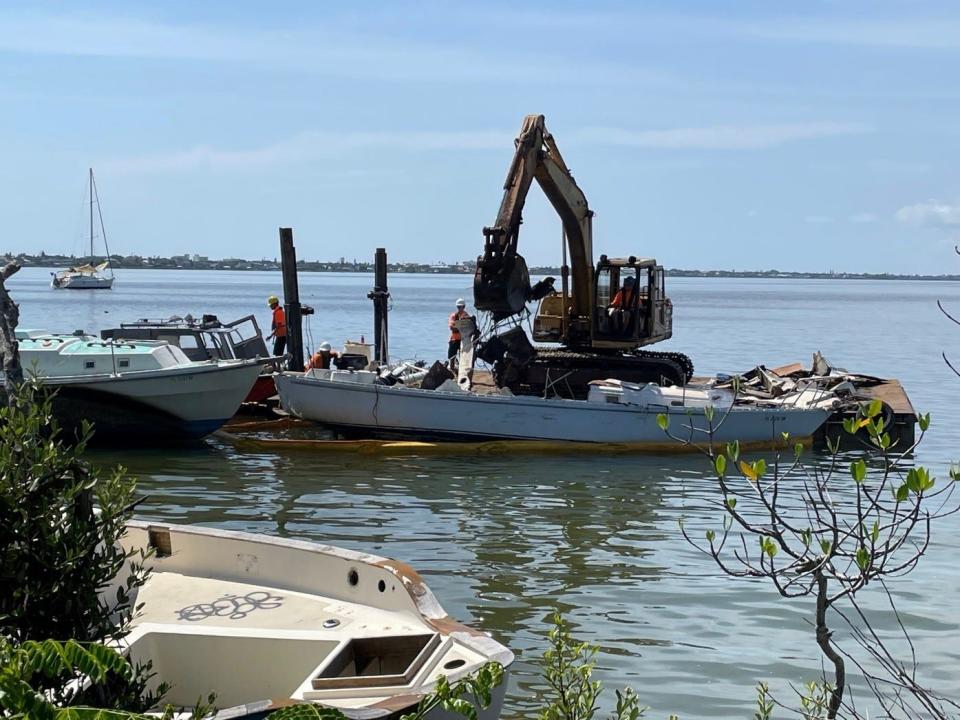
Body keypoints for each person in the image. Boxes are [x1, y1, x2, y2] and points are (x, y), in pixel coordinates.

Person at [447, 298, 470, 363]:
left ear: (464, 307)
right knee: (452, 357)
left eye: (461, 306)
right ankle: (452, 369)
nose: (460, 308)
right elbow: (451, 328)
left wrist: (457, 327)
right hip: (454, 339)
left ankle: (461, 369)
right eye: (458, 306)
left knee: (463, 357)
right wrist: (461, 328)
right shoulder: (453, 316)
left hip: (463, 340)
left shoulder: (467, 316)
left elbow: (469, 328)